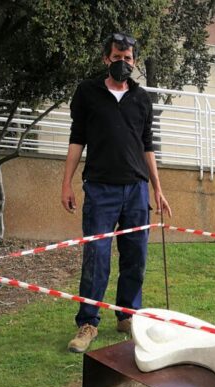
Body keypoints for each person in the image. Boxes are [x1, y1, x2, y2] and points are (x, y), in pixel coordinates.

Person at [61, 32, 172, 353]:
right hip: (99, 189)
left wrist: (157, 189)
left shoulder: (141, 100)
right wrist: (66, 182)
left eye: (128, 59)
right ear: (105, 59)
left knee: (135, 256)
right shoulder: (88, 93)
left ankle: (127, 315)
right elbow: (77, 139)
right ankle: (88, 322)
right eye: (117, 57)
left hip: (136, 191)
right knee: (96, 256)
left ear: (134, 62)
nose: (122, 63)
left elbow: (147, 146)